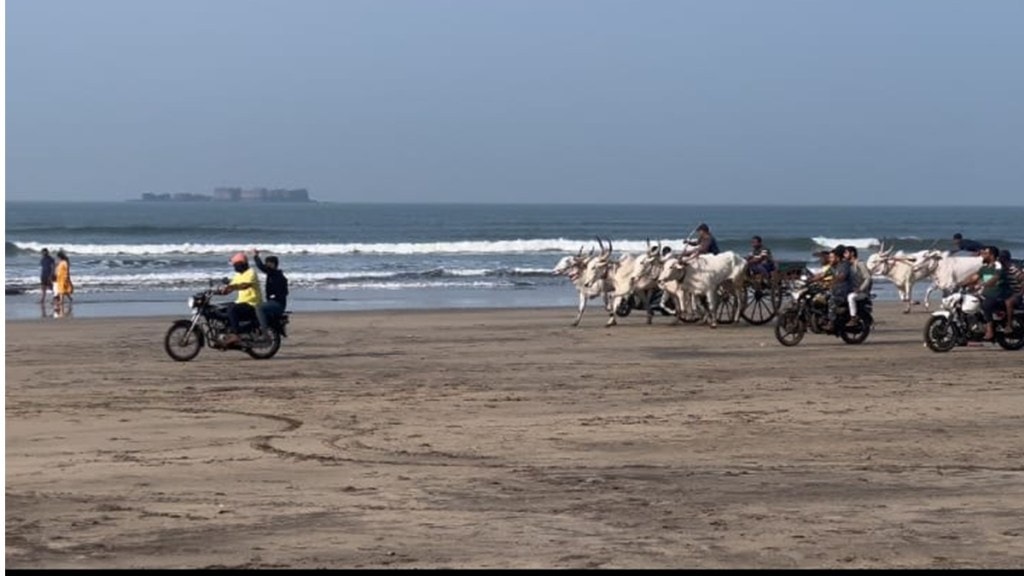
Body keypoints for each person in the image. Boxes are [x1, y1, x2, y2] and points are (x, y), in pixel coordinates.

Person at [959, 246, 1009, 341]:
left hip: (999, 294)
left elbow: (995, 278)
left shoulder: (998, 265)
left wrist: (983, 284)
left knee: (985, 305)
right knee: (970, 301)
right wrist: (960, 284)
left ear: (992, 255)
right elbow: (974, 277)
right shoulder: (984, 268)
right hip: (987, 294)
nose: (982, 256)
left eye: (985, 254)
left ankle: (990, 330)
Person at [219, 252, 263, 347]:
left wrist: (231, 287)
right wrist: (219, 291)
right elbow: (231, 287)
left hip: (252, 304)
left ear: (241, 264)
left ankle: (236, 334)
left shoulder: (251, 272)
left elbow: (244, 285)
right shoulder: (238, 275)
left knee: (232, 308)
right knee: (222, 308)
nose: (234, 267)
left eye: (235, 265)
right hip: (241, 302)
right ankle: (228, 330)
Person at [252, 249, 289, 338]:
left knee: (258, 308)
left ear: (272, 264)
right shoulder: (275, 274)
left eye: (267, 263)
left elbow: (260, 266)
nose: (266, 265)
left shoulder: (275, 274)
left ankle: (265, 333)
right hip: (276, 302)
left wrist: (256, 256)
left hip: (277, 304)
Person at [827, 246, 854, 330]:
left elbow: (842, 276)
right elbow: (823, 274)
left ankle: (831, 322)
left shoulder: (845, 265)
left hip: (844, 292)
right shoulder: (834, 266)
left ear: (837, 257)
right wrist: (810, 280)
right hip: (836, 290)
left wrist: (832, 281)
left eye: (832, 257)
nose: (830, 259)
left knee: (831, 300)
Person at [845, 246, 873, 326]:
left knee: (851, 297)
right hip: (852, 289)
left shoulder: (860, 264)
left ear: (852, 253)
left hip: (861, 292)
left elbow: (868, 278)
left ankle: (854, 318)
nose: (845, 255)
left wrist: (860, 289)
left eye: (846, 253)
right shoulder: (849, 265)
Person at [998, 249, 1022, 332]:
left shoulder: (1014, 269)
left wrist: (1019, 294)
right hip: (1005, 292)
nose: (1000, 260)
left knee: (1009, 302)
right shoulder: (1000, 269)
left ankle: (1009, 325)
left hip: (1016, 293)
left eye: (1002, 258)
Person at [53, 249, 74, 313]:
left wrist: (67, 277)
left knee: (61, 290)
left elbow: (67, 270)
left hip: (63, 277)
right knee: (62, 290)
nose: (57, 258)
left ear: (60, 256)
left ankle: (61, 302)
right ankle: (70, 299)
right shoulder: (60, 262)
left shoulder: (65, 262)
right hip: (59, 278)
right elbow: (57, 270)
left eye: (58, 257)